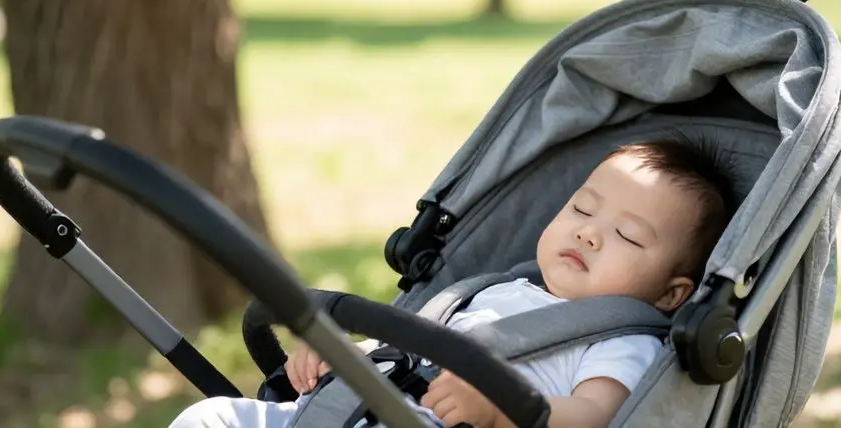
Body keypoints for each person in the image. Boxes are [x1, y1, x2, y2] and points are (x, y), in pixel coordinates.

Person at [170, 137, 736, 428]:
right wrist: (340, 357)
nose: (589, 235)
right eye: (581, 210)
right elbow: (406, 348)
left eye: (628, 237)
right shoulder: (490, 290)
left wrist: (506, 408)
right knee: (213, 416)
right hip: (349, 408)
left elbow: (596, 416)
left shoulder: (622, 341)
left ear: (671, 294)